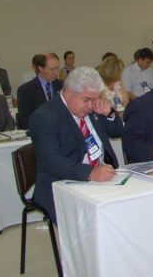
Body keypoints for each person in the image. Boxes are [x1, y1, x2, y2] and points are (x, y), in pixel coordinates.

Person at [31, 67, 122, 225]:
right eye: (86, 100)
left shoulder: (92, 107)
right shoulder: (45, 116)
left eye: (94, 100)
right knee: (95, 225)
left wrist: (109, 113)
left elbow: (117, 132)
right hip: (64, 182)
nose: (90, 106)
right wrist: (90, 173)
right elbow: (50, 160)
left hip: (102, 177)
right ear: (69, 92)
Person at [17, 53, 63, 130]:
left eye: (57, 68)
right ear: (40, 68)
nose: (56, 73)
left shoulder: (62, 85)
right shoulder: (26, 90)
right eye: (52, 69)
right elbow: (25, 121)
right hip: (40, 130)